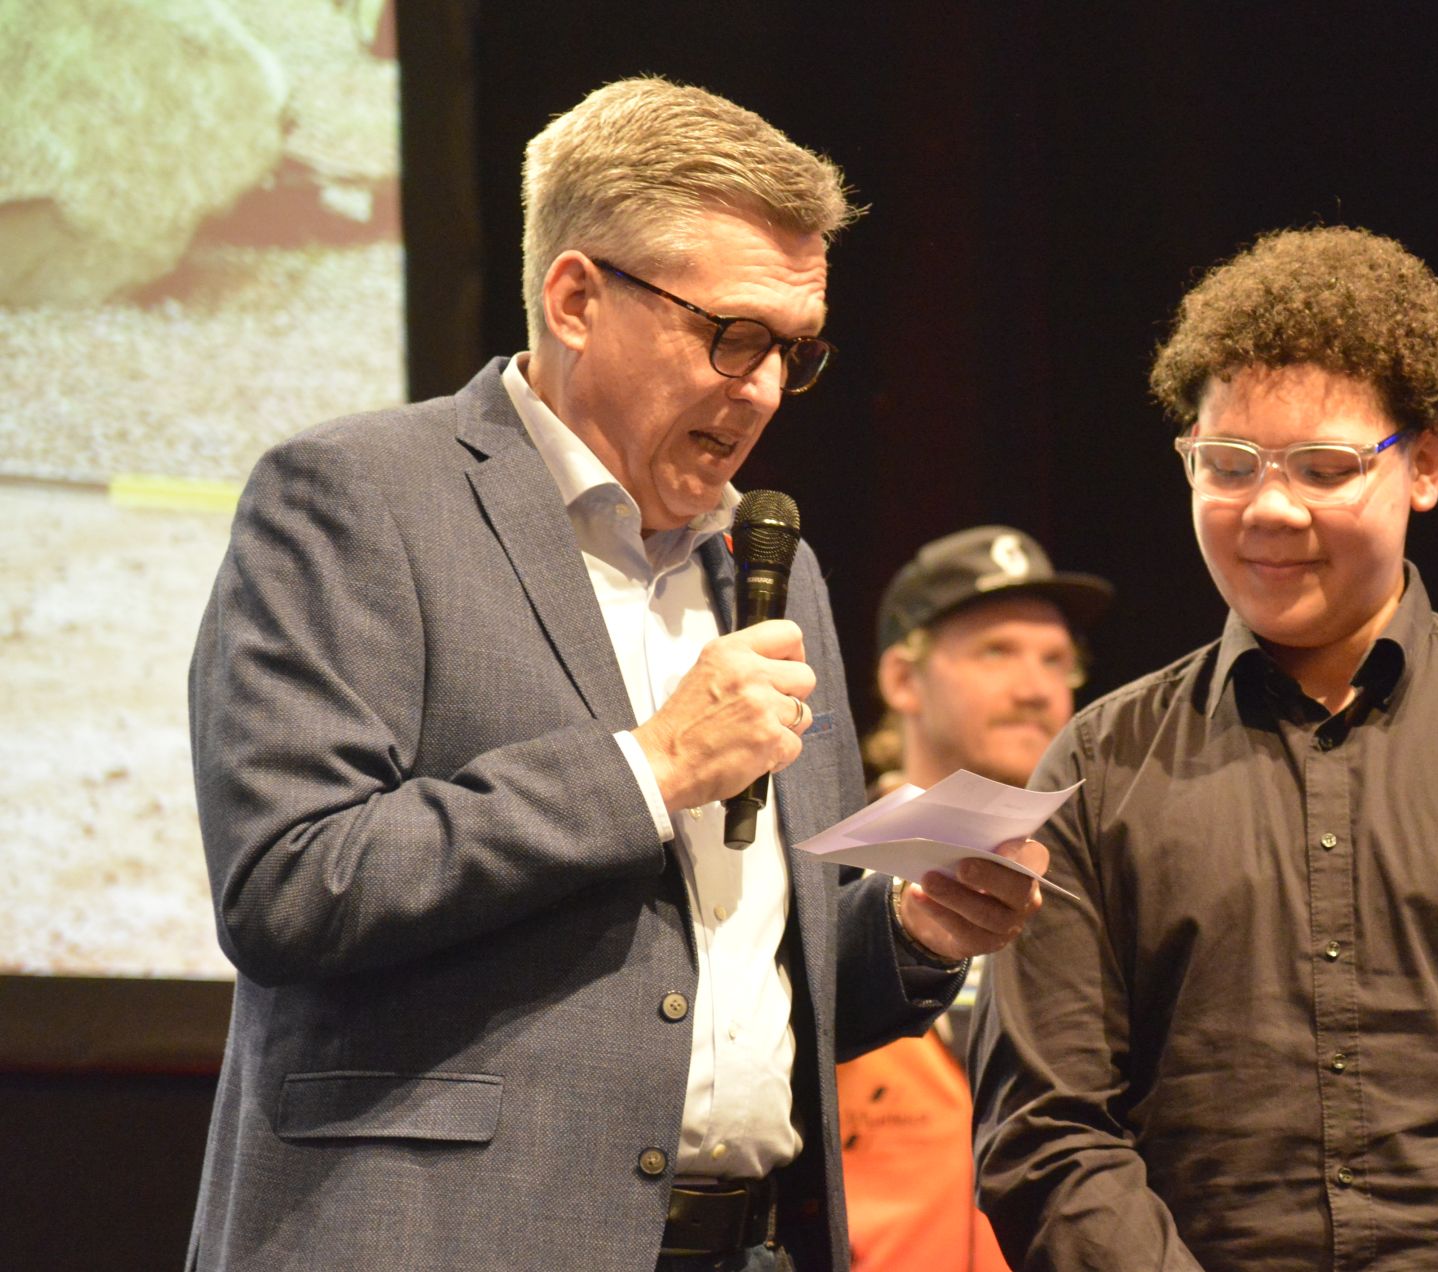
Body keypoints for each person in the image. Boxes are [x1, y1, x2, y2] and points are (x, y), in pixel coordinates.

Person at [185, 78, 1046, 1272]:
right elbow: (291, 883)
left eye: (793, 351)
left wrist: (913, 930)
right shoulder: (358, 499)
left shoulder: (773, 566)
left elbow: (754, 986)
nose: (762, 389)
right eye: (731, 335)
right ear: (576, 298)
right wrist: (648, 769)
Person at [968, 225, 1438, 1270]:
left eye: (1323, 469)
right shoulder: (1099, 766)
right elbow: (1044, 1131)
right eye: (1227, 465)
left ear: (1428, 464)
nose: (1270, 509)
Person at [839, 526, 1112, 1272]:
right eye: (997, 652)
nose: (1035, 688)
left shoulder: (1094, 890)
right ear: (903, 679)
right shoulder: (818, 877)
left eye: (1056, 660)